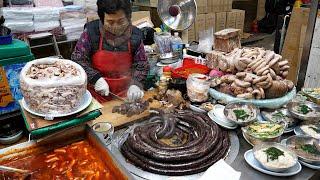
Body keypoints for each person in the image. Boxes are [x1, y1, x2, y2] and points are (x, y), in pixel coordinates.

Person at [71, 0, 149, 103]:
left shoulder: (136, 35)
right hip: (96, 95)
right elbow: (77, 59)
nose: (116, 27)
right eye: (110, 22)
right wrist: (96, 79)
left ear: (129, 17)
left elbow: (142, 64)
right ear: (102, 19)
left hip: (126, 95)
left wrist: (135, 84)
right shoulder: (91, 32)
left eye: (121, 21)